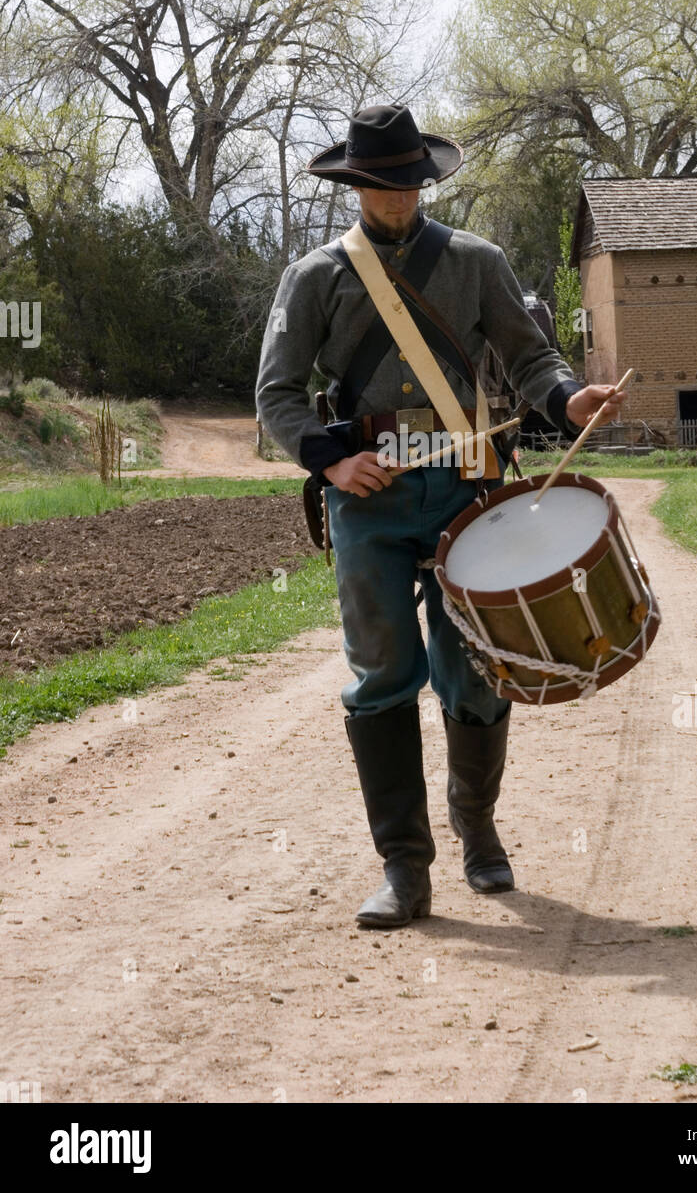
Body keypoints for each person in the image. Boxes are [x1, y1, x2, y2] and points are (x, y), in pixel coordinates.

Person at [256, 102, 626, 927]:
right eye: (381, 185)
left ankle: (479, 834)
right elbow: (274, 393)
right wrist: (329, 458)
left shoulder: (475, 260)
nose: (396, 199)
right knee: (382, 673)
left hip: (468, 488)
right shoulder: (317, 275)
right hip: (371, 497)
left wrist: (567, 400)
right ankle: (404, 868)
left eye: (408, 183)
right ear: (356, 184)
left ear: (423, 181)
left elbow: (531, 356)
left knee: (475, 669)